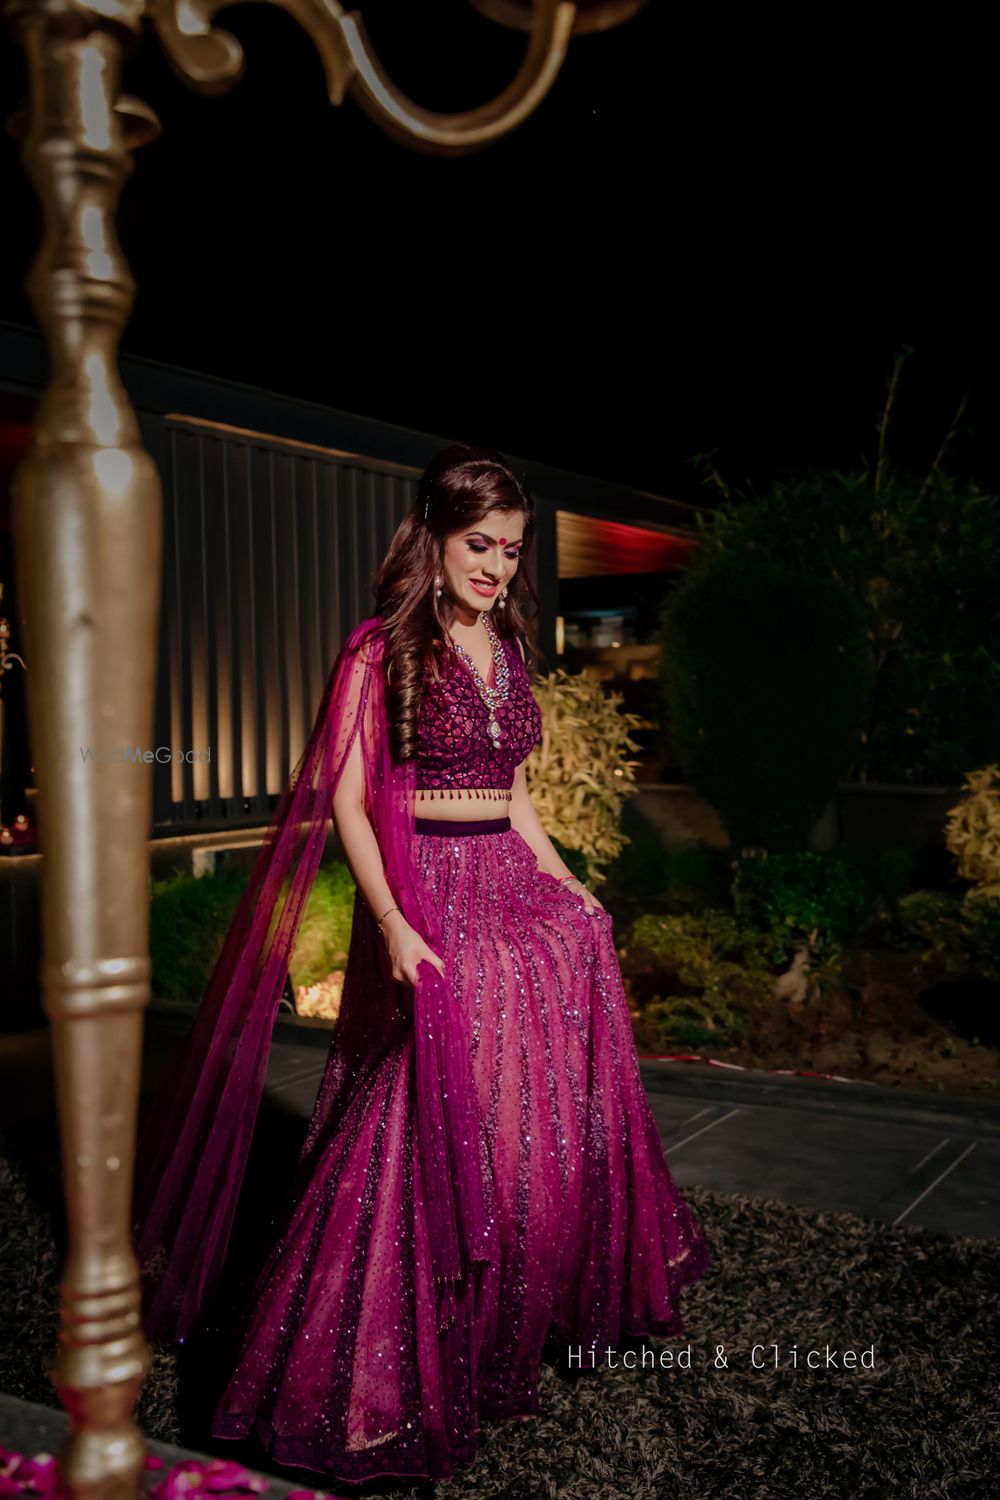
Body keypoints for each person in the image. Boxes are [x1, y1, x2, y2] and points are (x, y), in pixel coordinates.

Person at [131, 442, 712, 1487]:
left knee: (536, 1103)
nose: (495, 565)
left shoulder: (513, 645)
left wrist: (572, 884)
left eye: (512, 549)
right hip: (433, 887)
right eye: (478, 544)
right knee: (432, 1101)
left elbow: (518, 800)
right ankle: (372, 1354)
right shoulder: (381, 650)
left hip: (509, 872)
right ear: (434, 540)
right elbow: (351, 800)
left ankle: (518, 1310)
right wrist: (393, 919)